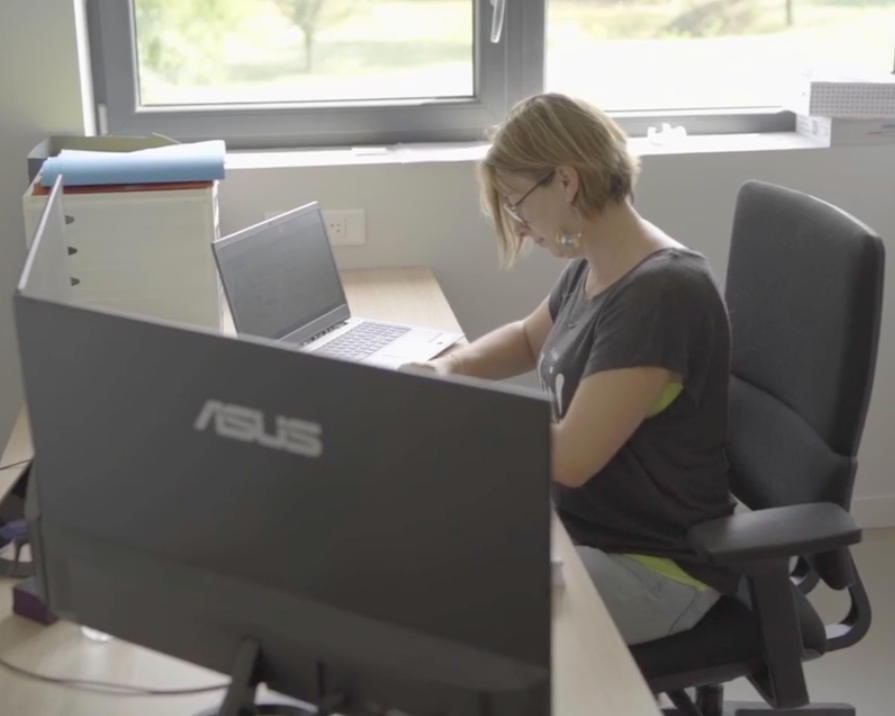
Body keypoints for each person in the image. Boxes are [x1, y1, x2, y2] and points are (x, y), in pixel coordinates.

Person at [404, 93, 739, 646]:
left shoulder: (660, 294)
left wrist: (461, 412)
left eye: (517, 205)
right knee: (421, 547)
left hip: (653, 568)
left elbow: (573, 459)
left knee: (443, 610)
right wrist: (448, 369)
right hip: (586, 532)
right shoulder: (595, 263)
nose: (518, 228)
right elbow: (527, 338)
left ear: (565, 181)